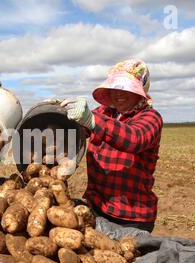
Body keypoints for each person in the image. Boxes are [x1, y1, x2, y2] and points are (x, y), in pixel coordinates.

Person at [60, 59, 163, 232]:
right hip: (96, 207)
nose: (118, 94)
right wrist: (58, 114)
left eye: (126, 89)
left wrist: (92, 121)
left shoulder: (151, 118)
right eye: (114, 88)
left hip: (131, 217)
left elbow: (134, 138)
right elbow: (75, 132)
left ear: (141, 91)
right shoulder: (105, 112)